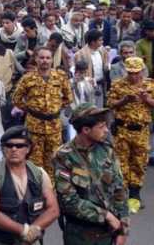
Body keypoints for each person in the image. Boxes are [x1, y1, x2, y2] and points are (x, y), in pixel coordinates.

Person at [53, 103, 129, 245]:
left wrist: (123, 227)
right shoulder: (64, 156)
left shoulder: (106, 150)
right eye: (101, 127)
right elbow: (69, 201)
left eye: (106, 125)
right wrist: (106, 216)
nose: (106, 130)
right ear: (86, 130)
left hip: (109, 232)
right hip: (80, 234)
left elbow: (120, 189)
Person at [0, 125, 59, 245]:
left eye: (20, 145)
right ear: (3, 149)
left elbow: (53, 209)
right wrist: (24, 231)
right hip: (1, 241)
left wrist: (34, 229)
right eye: (9, 145)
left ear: (28, 149)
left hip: (31, 241)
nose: (14, 149)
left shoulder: (39, 174)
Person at [106, 56, 154, 212]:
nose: (134, 76)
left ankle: (135, 195)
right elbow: (110, 104)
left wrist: (147, 99)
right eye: (130, 72)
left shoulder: (150, 85)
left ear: (142, 71)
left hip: (141, 131)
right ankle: (120, 195)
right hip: (123, 130)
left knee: (139, 163)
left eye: (137, 72)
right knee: (120, 163)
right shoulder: (118, 85)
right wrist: (124, 100)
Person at [12, 47, 74, 179]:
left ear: (52, 60)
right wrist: (30, 109)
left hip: (54, 127)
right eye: (41, 58)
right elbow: (16, 99)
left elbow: (69, 98)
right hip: (35, 126)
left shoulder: (60, 77)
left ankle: (51, 191)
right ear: (36, 59)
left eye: (47, 58)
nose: (44, 61)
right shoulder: (28, 78)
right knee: (35, 162)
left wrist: (55, 108)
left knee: (53, 161)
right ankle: (36, 191)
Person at [74, 29, 109, 107]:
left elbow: (106, 61)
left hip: (100, 84)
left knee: (99, 108)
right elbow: (78, 72)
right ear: (93, 42)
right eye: (100, 40)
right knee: (88, 108)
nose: (102, 42)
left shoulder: (102, 50)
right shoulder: (80, 54)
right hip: (87, 85)